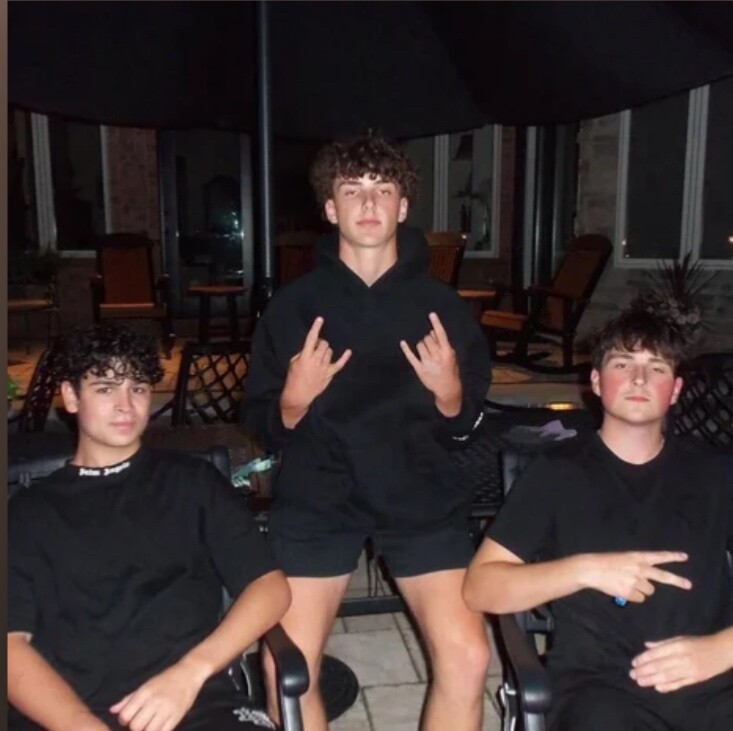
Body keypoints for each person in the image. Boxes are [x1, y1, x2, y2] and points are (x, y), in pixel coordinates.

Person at [244, 132, 493, 730]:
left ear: (403, 206)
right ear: (330, 209)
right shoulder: (293, 307)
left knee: (469, 656)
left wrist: (450, 393)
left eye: (383, 189)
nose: (368, 203)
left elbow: (468, 425)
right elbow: (260, 426)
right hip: (320, 492)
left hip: (418, 490)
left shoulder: (441, 306)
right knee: (285, 670)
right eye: (352, 190)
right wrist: (293, 399)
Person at [8, 323, 291, 731]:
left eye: (138, 388)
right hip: (69, 714)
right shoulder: (28, 513)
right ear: (71, 396)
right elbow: (11, 645)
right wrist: (81, 725)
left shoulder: (192, 484)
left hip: (194, 702)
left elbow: (270, 587)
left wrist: (190, 673)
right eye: (106, 388)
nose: (126, 405)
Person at [464, 308, 733, 731]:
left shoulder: (717, 472)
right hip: (602, 693)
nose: (639, 379)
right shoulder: (557, 473)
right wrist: (587, 570)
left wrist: (721, 650)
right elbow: (480, 588)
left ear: (676, 390)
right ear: (595, 381)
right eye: (623, 364)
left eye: (656, 368)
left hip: (715, 680)